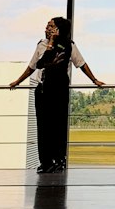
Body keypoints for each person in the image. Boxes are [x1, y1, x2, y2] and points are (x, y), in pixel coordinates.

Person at [9, 16, 104, 174]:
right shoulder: (42, 45)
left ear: (59, 29)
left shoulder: (68, 45)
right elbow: (34, 65)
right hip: (43, 89)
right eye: (47, 26)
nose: (47, 28)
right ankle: (45, 161)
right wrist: (18, 81)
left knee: (58, 126)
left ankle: (59, 159)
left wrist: (94, 80)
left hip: (59, 89)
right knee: (43, 126)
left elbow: (81, 63)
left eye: (51, 26)